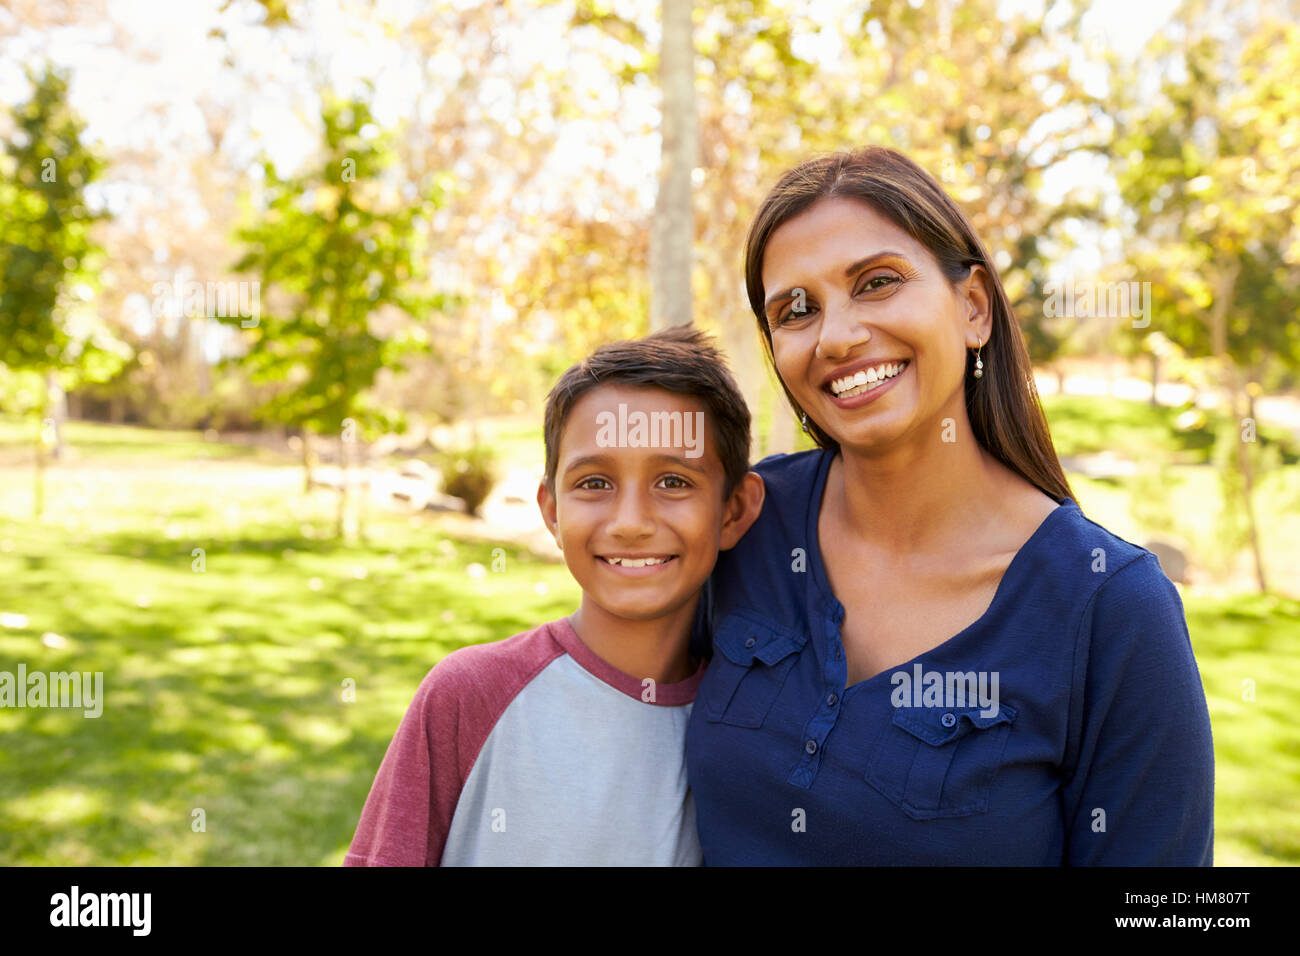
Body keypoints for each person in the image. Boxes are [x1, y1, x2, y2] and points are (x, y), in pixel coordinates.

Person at [684, 146, 1215, 865]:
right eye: (796, 310)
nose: (836, 335)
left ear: (972, 307)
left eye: (876, 283)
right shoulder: (743, 525)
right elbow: (607, 701)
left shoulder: (1110, 609)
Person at [344, 326, 764, 865]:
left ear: (734, 510)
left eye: (674, 482)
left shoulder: (745, 722)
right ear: (551, 510)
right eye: (594, 483)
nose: (631, 523)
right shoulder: (466, 696)